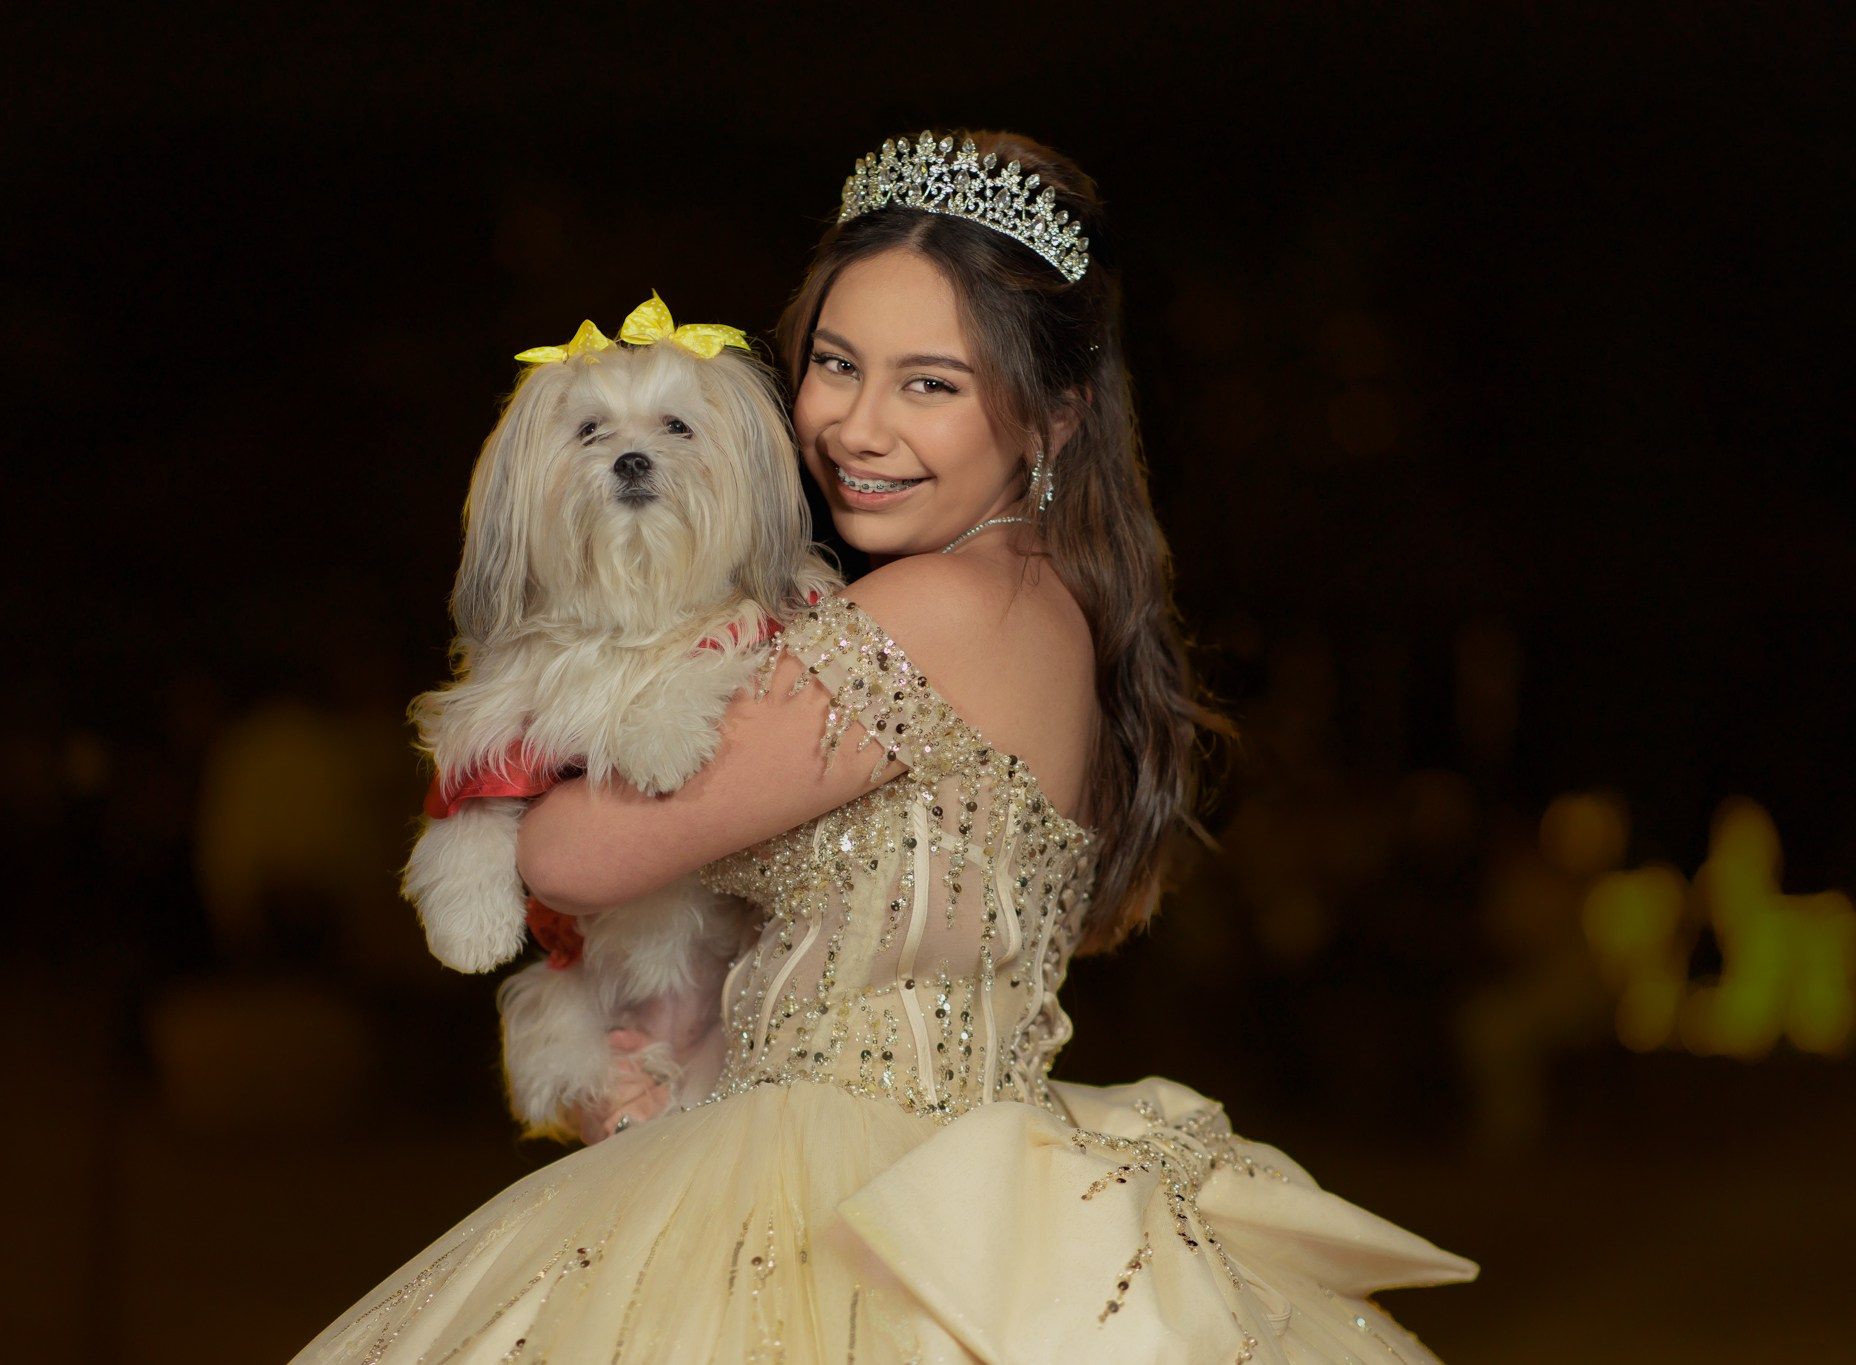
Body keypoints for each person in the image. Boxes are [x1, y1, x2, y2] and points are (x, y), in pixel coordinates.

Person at [293, 129, 1474, 1365]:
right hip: (917, 1172)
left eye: (930, 384)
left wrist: (518, 780)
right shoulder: (1036, 602)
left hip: (852, 1196)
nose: (857, 427)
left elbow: (575, 855)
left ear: (1050, 419)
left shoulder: (939, 610)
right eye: (836, 366)